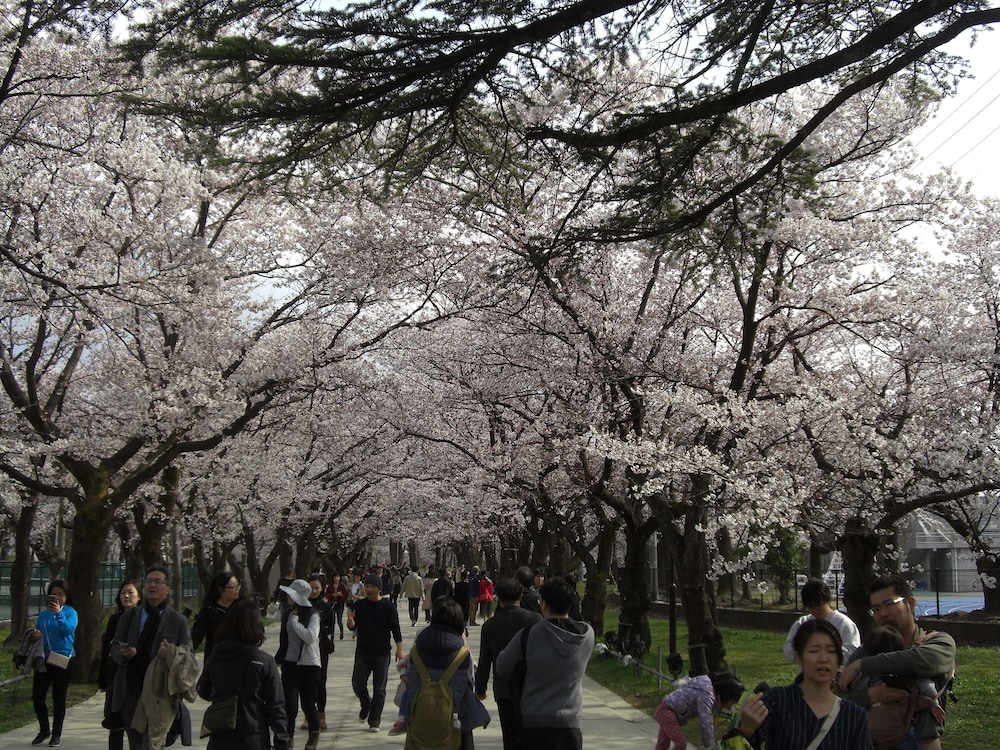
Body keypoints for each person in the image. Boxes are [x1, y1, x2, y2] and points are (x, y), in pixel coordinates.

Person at [838, 574, 957, 750]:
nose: (883, 614)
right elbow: (839, 701)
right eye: (876, 609)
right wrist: (872, 695)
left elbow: (918, 661)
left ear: (910, 604)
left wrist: (862, 665)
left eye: (889, 604)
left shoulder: (938, 642)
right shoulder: (864, 652)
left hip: (921, 741)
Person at [495, 577, 594, 750]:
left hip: (534, 720)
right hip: (570, 722)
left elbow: (503, 666)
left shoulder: (529, 635)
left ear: (544, 604)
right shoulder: (586, 635)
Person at [739, 618, 871, 749]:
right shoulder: (777, 700)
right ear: (798, 656)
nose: (823, 659)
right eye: (814, 651)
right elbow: (745, 743)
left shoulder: (854, 716)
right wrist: (747, 729)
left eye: (831, 651)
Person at [112, 565, 195, 750]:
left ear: (168, 588)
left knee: (154, 743)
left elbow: (189, 656)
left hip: (160, 693)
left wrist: (170, 654)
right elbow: (115, 647)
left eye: (158, 582)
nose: (152, 585)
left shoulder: (177, 620)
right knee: (136, 743)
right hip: (131, 691)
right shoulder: (130, 616)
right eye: (148, 581)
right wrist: (123, 654)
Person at [196, 598, 290, 750]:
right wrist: (282, 740)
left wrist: (223, 696)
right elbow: (276, 705)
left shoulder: (216, 655)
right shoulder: (264, 661)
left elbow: (202, 689)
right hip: (253, 735)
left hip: (220, 736)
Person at [403, 597, 491, 749]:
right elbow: (469, 685)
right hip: (456, 724)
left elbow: (411, 684)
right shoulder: (463, 656)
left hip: (421, 722)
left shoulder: (415, 653)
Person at [474, 577, 542, 750]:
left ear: (498, 597)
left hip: (503, 686)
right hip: (531, 686)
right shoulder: (535, 620)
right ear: (521, 596)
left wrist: (480, 688)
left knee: (509, 734)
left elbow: (484, 660)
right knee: (531, 735)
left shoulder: (490, 625)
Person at [861, 626, 944, 750]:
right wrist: (933, 703)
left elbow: (858, 688)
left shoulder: (869, 674)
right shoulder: (905, 674)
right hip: (900, 731)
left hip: (871, 729)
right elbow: (927, 687)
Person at [347, 573, 405, 732]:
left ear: (379, 589)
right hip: (363, 652)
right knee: (357, 683)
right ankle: (366, 703)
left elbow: (396, 629)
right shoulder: (360, 605)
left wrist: (399, 649)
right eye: (367, 586)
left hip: (382, 653)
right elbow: (352, 626)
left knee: (379, 688)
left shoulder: (388, 607)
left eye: (372, 587)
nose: (369, 589)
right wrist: (351, 622)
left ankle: (374, 720)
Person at [30, 579, 78, 747]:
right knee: (37, 696)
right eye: (53, 594)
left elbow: (67, 630)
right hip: (44, 659)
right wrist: (36, 636)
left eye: (60, 595)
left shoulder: (70, 612)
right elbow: (39, 633)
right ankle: (44, 729)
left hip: (63, 658)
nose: (56, 598)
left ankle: (56, 734)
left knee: (58, 698)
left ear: (66, 596)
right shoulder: (43, 615)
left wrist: (59, 613)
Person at [275, 578, 321, 750]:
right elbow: (284, 639)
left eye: (290, 594)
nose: (287, 596)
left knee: (308, 704)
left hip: (309, 665)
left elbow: (311, 637)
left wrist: (295, 622)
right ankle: (288, 738)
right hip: (290, 665)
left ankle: (313, 734)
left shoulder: (312, 615)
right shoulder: (288, 614)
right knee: (290, 705)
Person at [654, 671, 744, 750]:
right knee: (681, 743)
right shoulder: (707, 696)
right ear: (726, 696)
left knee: (663, 744)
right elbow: (706, 722)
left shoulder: (707, 688)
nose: (731, 706)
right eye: (733, 702)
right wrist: (710, 746)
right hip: (667, 711)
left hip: (666, 708)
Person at [100, 581, 141, 750]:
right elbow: (106, 650)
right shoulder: (114, 619)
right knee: (115, 725)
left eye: (130, 592)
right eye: (123, 593)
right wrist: (102, 677)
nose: (126, 596)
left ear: (139, 596)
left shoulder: (145, 620)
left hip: (137, 680)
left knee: (136, 727)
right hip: (116, 678)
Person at [783, 578, 860, 664]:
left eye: (818, 605)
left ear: (827, 600)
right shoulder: (802, 623)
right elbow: (788, 650)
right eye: (811, 606)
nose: (815, 610)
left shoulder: (844, 623)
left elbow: (852, 653)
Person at [305, 574, 335, 730]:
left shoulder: (326, 607)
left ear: (322, 588)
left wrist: (318, 630)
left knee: (320, 681)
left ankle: (321, 715)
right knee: (307, 684)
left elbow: (331, 627)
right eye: (311, 588)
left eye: (317, 588)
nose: (314, 591)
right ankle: (308, 716)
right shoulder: (302, 605)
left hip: (321, 648)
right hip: (305, 650)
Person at [191, 572, 243, 659]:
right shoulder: (209, 609)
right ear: (221, 589)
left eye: (237, 586)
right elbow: (197, 635)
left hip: (238, 658)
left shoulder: (242, 607)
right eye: (232, 587)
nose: (236, 590)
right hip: (215, 658)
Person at [324, 572, 349, 640]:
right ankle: (332, 635)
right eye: (335, 577)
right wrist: (333, 595)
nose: (336, 578)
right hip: (332, 604)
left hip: (340, 603)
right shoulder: (330, 586)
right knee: (332, 620)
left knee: (339, 619)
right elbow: (326, 595)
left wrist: (341, 596)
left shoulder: (342, 586)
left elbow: (345, 595)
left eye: (337, 577)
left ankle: (341, 633)